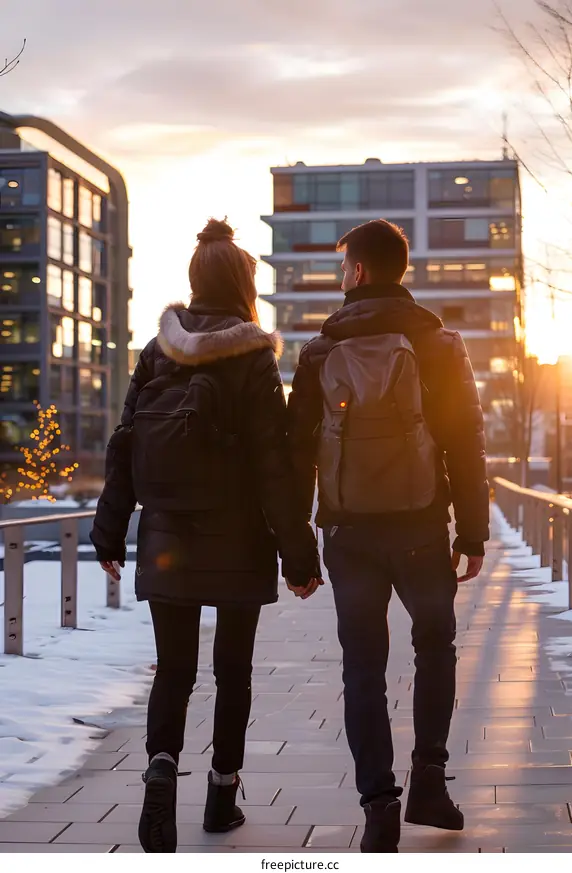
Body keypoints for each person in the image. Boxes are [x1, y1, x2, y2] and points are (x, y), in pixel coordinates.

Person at [90, 219, 322, 853]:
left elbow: (125, 445)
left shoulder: (156, 350)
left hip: (166, 534)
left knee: (174, 670)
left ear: (195, 279)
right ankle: (222, 795)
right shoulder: (252, 357)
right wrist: (299, 555)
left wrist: (109, 532)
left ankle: (161, 770)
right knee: (233, 671)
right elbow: (274, 464)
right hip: (239, 538)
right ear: (245, 283)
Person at [287, 219, 489, 853]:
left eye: (346, 265)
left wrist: (296, 549)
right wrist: (474, 532)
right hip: (421, 524)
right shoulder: (439, 344)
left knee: (363, 667)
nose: (344, 274)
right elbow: (466, 443)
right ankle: (429, 780)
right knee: (434, 646)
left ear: (363, 272)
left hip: (348, 533)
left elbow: (295, 457)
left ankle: (379, 806)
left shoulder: (319, 352)